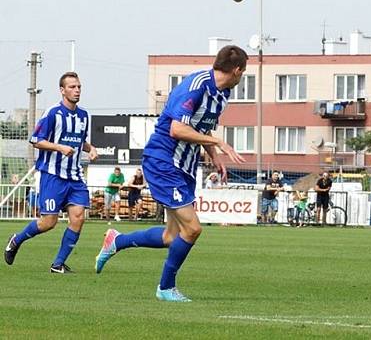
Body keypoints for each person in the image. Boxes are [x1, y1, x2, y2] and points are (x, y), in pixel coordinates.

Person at [93, 45, 247, 302]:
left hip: (184, 167)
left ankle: (116, 242)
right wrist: (219, 142)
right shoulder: (195, 85)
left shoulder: (223, 94)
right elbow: (177, 129)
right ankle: (165, 288)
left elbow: (201, 128)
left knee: (171, 236)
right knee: (193, 228)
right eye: (244, 71)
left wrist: (214, 156)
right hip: (163, 161)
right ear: (238, 70)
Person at [4, 71, 98, 273]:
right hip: (52, 175)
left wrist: (92, 149)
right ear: (62, 90)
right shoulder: (52, 113)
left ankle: (58, 264)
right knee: (49, 222)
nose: (77, 90)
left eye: (79, 86)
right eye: (72, 87)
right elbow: (35, 139)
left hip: (75, 176)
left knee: (78, 217)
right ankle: (17, 239)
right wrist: (59, 147)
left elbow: (80, 140)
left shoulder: (84, 116)